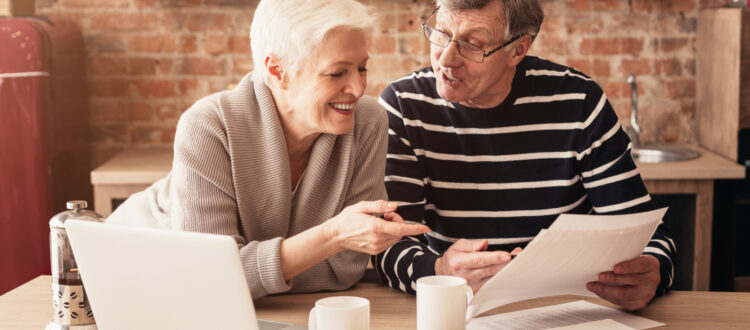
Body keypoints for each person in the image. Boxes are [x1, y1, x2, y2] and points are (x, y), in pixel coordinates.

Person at [107, 0, 430, 299]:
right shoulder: (207, 126)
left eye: (362, 68)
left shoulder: (368, 122)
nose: (358, 88)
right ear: (277, 71)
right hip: (127, 278)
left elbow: (343, 270)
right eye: (337, 73)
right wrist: (331, 237)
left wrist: (244, 268)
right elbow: (207, 280)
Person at [373, 0, 676, 311]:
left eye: (472, 45)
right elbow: (386, 244)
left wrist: (653, 269)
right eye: (441, 34)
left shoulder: (579, 102)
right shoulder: (403, 106)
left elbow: (646, 233)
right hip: (461, 309)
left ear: (517, 50)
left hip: (569, 310)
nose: (446, 59)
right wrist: (438, 272)